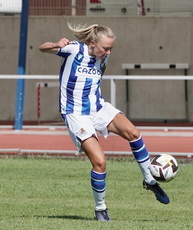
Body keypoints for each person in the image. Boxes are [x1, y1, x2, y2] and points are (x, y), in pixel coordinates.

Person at [38, 23, 169, 222]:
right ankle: (101, 209)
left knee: (133, 133)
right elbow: (42, 47)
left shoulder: (103, 59)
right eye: (105, 48)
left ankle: (149, 180)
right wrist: (55, 44)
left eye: (111, 49)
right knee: (99, 162)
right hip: (75, 113)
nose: (108, 52)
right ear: (92, 43)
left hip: (98, 108)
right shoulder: (74, 49)